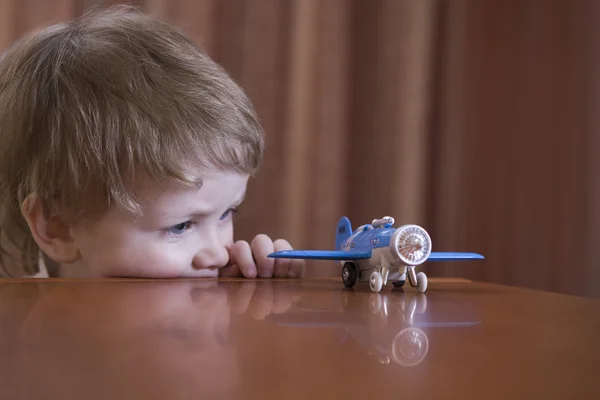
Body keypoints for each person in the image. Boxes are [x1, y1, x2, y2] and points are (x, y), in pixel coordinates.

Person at [0, 5, 304, 279]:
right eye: (181, 226)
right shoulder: (24, 335)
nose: (220, 253)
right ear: (59, 230)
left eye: (226, 214)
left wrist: (255, 298)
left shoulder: (206, 286)